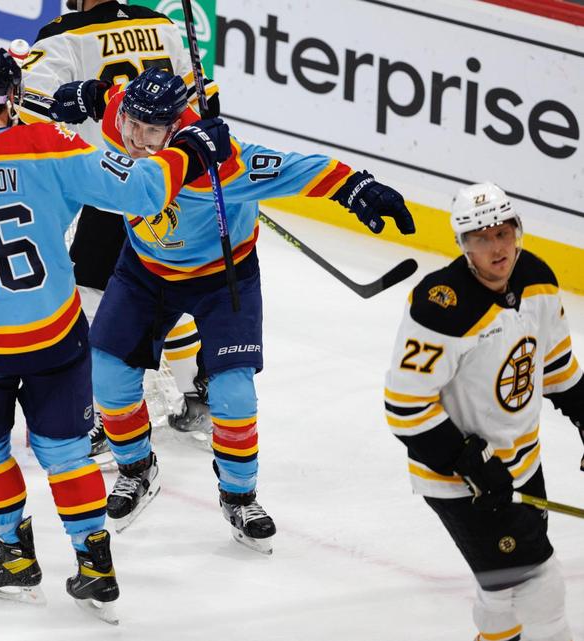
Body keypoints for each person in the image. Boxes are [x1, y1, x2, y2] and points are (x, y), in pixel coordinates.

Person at [0, 46, 222, 622]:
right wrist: (190, 146)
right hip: (54, 337)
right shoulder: (56, 144)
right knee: (68, 454)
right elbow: (143, 192)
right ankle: (96, 565)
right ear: (15, 95)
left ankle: (14, 556)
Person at [49, 68, 417, 550]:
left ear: (176, 128)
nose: (136, 140)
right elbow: (111, 98)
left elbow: (298, 168)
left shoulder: (224, 165)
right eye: (132, 126)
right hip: (144, 270)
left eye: (151, 131)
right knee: (108, 375)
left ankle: (239, 497)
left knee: (234, 394)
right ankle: (138, 468)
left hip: (223, 277)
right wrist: (90, 95)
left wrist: (357, 189)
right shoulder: (125, 113)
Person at [19, 0, 223, 452]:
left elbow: (28, 107)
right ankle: (198, 392)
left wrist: (76, 100)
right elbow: (206, 101)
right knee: (165, 285)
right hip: (172, 181)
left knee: (92, 296)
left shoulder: (63, 34)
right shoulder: (164, 25)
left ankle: (108, 417)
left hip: (113, 183)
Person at [384, 183, 582, 641]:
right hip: (460, 480)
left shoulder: (538, 279)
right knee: (540, 588)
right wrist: (470, 463)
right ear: (463, 245)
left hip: (523, 462)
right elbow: (405, 405)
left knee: (501, 589)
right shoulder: (442, 305)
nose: (496, 247)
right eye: (481, 238)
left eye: (503, 232)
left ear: (518, 231)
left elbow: (554, 367)